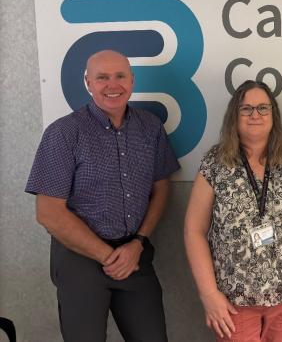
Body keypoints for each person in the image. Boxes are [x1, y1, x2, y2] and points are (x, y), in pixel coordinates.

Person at [25, 50, 180, 342]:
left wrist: (139, 242)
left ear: (132, 80)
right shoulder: (64, 133)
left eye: (120, 76)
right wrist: (107, 256)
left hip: (134, 255)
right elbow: (48, 213)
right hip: (79, 259)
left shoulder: (150, 128)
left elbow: (161, 188)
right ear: (88, 82)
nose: (113, 85)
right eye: (102, 77)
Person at [184, 80, 282, 342]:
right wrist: (209, 295)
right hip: (233, 302)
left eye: (262, 108)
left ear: (274, 114)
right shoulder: (215, 163)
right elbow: (194, 230)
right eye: (246, 109)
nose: (255, 115)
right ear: (234, 115)